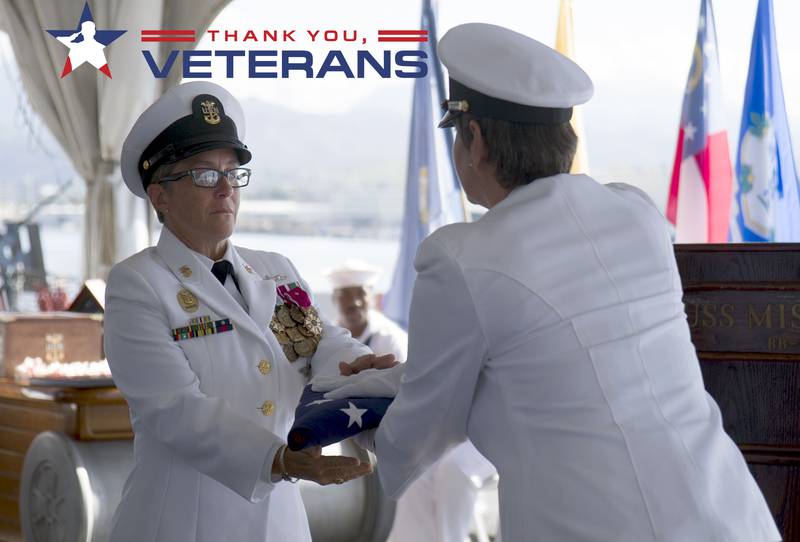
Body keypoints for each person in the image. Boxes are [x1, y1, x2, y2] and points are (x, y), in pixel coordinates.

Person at [320, 23, 781, 541]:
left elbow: (414, 441)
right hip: (731, 518)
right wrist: (405, 377)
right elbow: (545, 365)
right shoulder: (637, 214)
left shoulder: (461, 258)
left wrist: (352, 407)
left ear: (474, 141)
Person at [104, 81, 389, 542]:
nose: (225, 190)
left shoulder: (274, 272)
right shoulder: (138, 285)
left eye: (232, 174)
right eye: (204, 175)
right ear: (160, 197)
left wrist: (361, 367)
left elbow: (317, 346)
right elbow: (174, 409)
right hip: (182, 523)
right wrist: (275, 459)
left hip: (279, 523)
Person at [326, 260, 498, 542]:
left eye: (360, 295)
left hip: (485, 434)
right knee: (414, 474)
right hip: (442, 430)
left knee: (454, 473)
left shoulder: (392, 340)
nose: (354, 304)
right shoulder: (334, 338)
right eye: (346, 297)